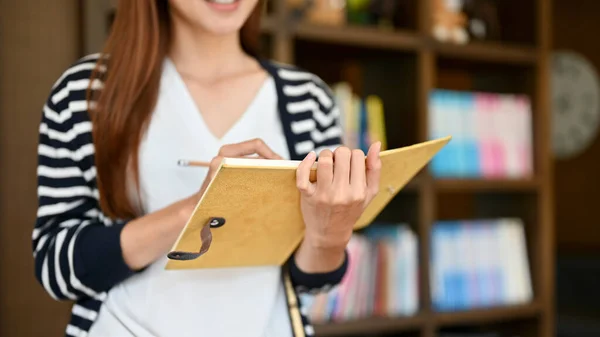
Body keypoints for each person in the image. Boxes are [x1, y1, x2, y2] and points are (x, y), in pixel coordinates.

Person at [32, 0, 382, 336]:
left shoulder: (309, 100)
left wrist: (330, 232)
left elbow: (314, 282)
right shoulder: (86, 92)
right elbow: (56, 267)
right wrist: (199, 208)